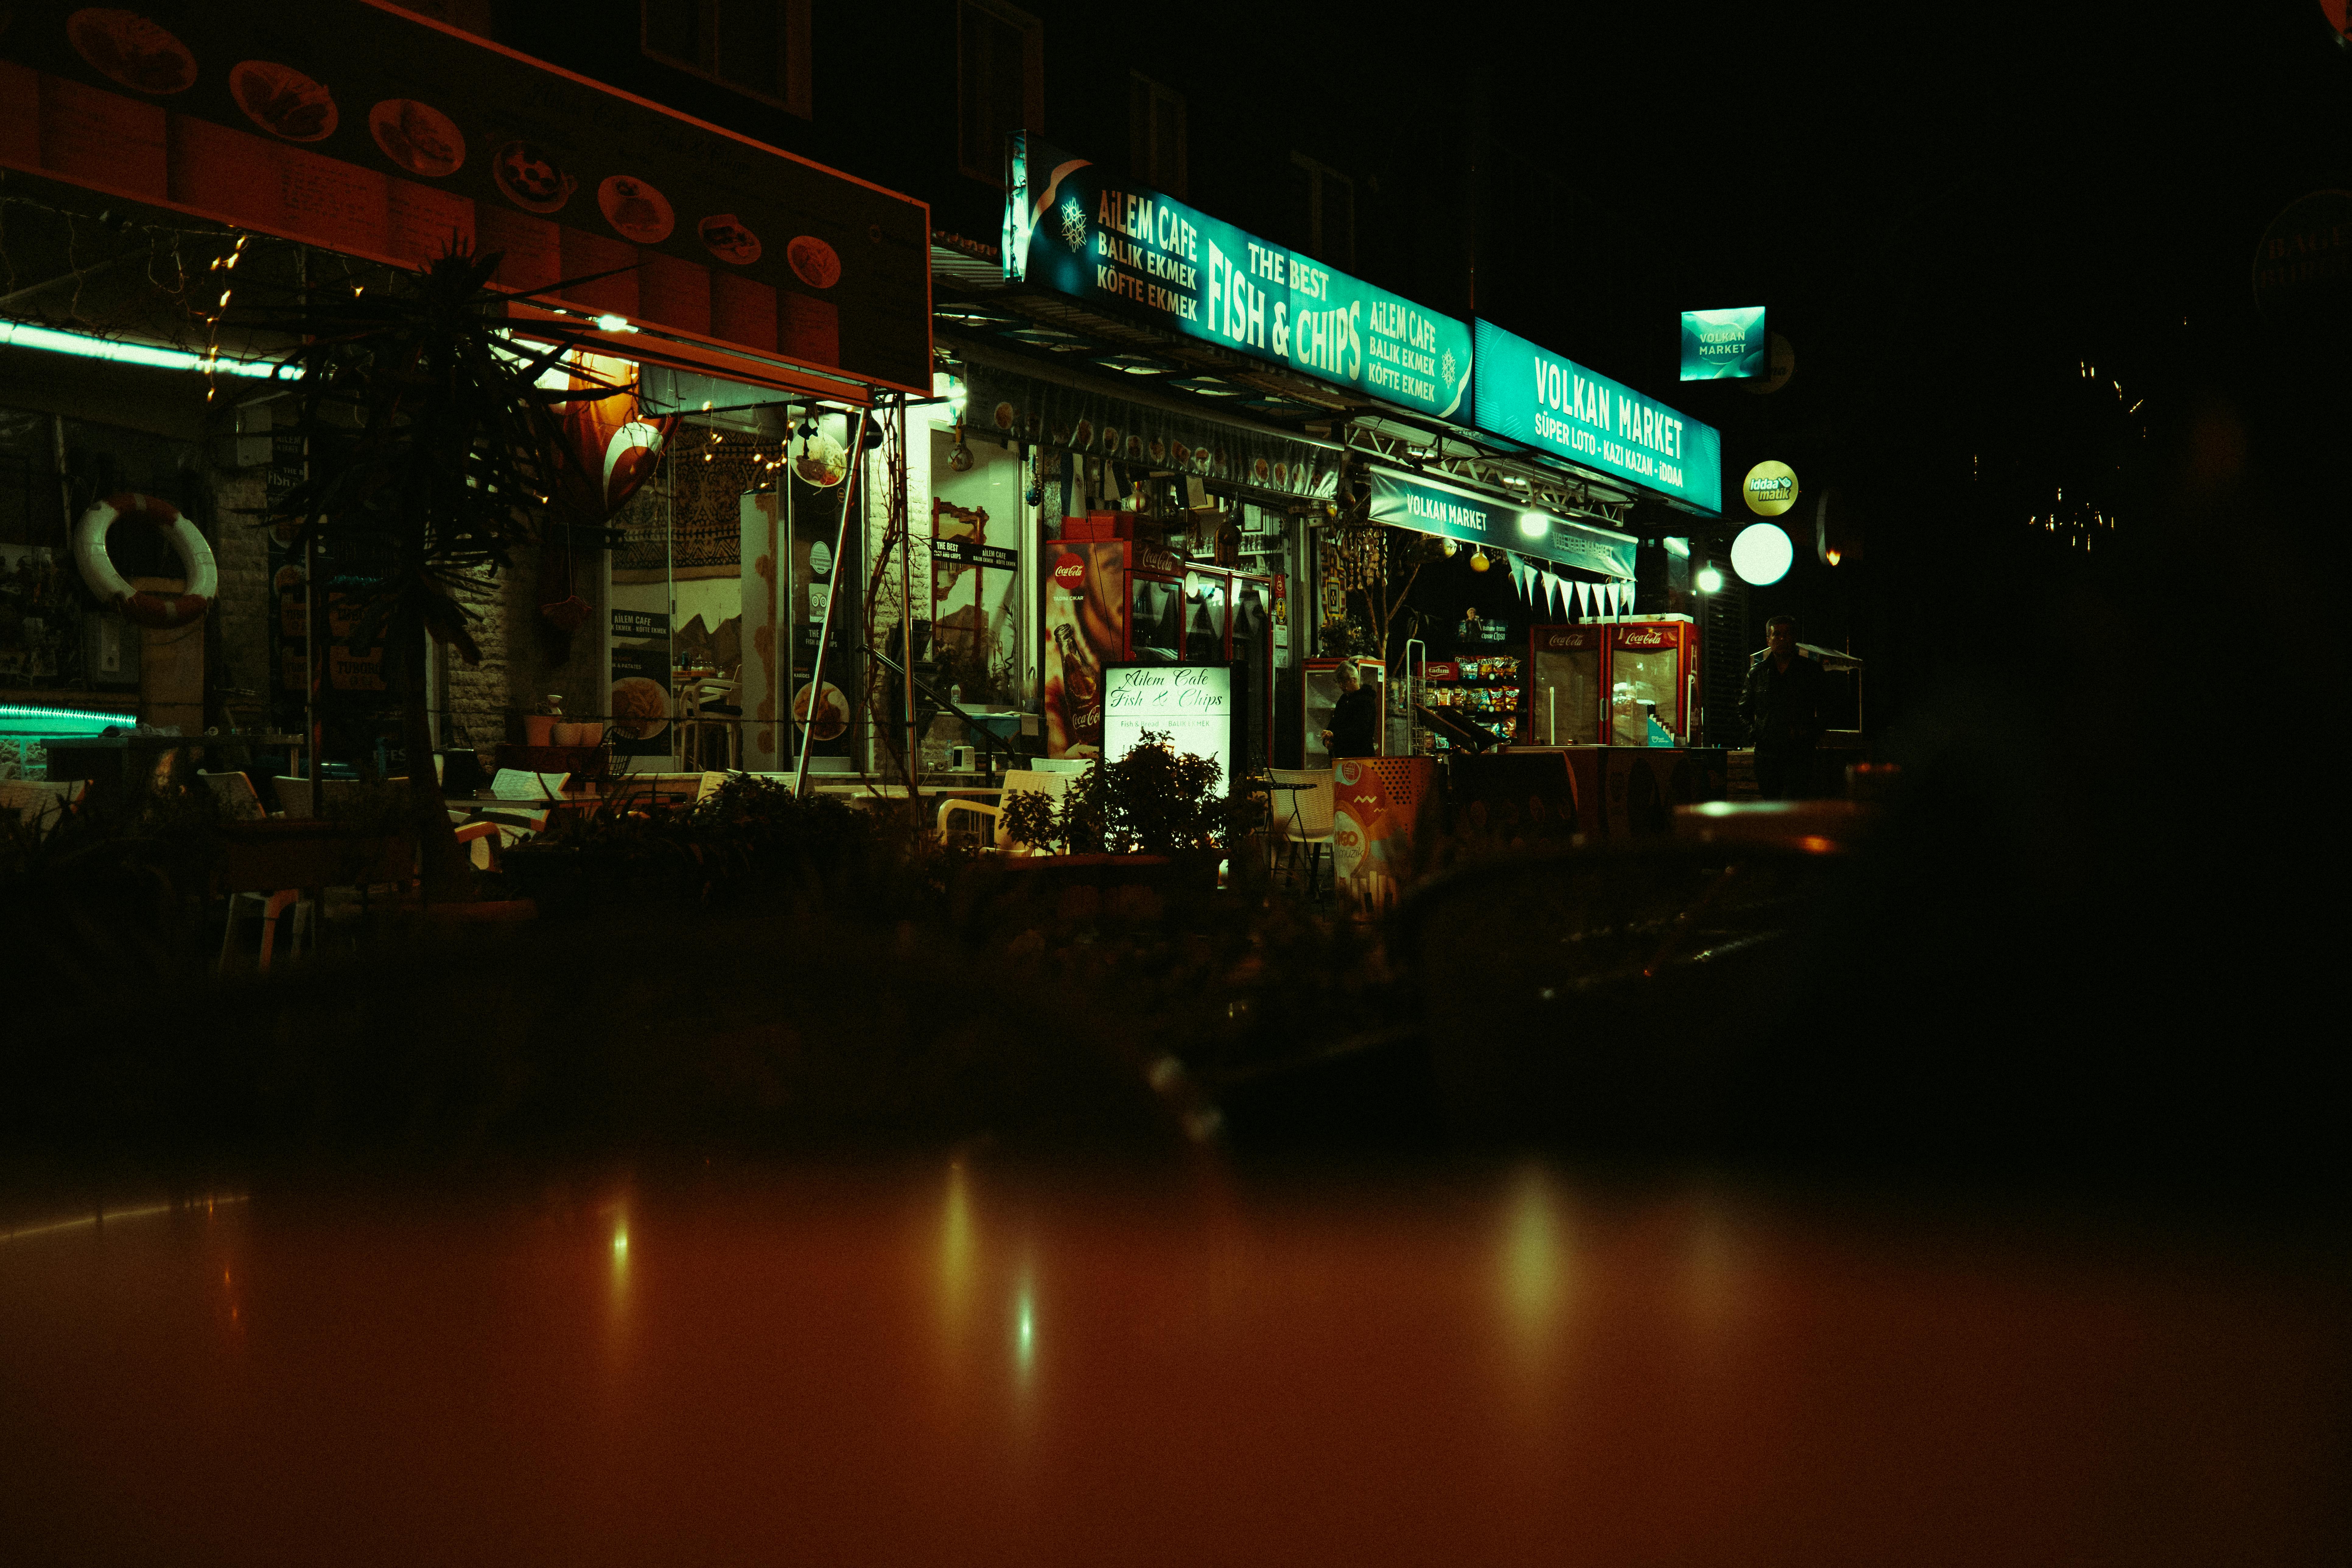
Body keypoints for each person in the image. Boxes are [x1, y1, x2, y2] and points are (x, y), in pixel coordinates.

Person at [1740, 614, 1825, 800]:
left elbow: (1828, 707)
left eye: (1787, 635)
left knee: (1795, 806)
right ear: (1768, 640)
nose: (1782, 639)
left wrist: (1812, 734)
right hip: (1767, 754)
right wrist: (1755, 734)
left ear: (1795, 639)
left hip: (1800, 753)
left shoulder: (1811, 671)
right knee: (1772, 806)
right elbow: (1743, 711)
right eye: (1777, 635)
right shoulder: (1757, 673)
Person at [1321, 658, 1380, 758]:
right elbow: (1334, 723)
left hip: (1360, 757)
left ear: (1355, 680)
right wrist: (1327, 739)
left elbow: (1360, 731)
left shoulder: (1366, 701)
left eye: (1344, 682)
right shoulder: (1343, 699)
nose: (1341, 686)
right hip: (1342, 757)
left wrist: (1335, 736)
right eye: (1339, 683)